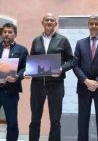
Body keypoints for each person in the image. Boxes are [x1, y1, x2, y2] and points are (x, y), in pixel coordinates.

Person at [29, 13, 73, 141]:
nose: (49, 22)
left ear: (55, 24)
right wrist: (29, 71)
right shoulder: (36, 40)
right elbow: (32, 60)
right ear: (42, 22)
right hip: (37, 85)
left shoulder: (63, 40)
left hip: (56, 85)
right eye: (47, 20)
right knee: (35, 119)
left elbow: (71, 60)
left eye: (52, 20)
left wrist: (61, 69)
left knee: (55, 120)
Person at [0, 23, 28, 141]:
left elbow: (26, 67)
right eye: (5, 32)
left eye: (10, 32)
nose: (7, 34)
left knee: (12, 123)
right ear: (2, 34)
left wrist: (17, 76)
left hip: (11, 91)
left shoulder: (22, 50)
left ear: (15, 34)